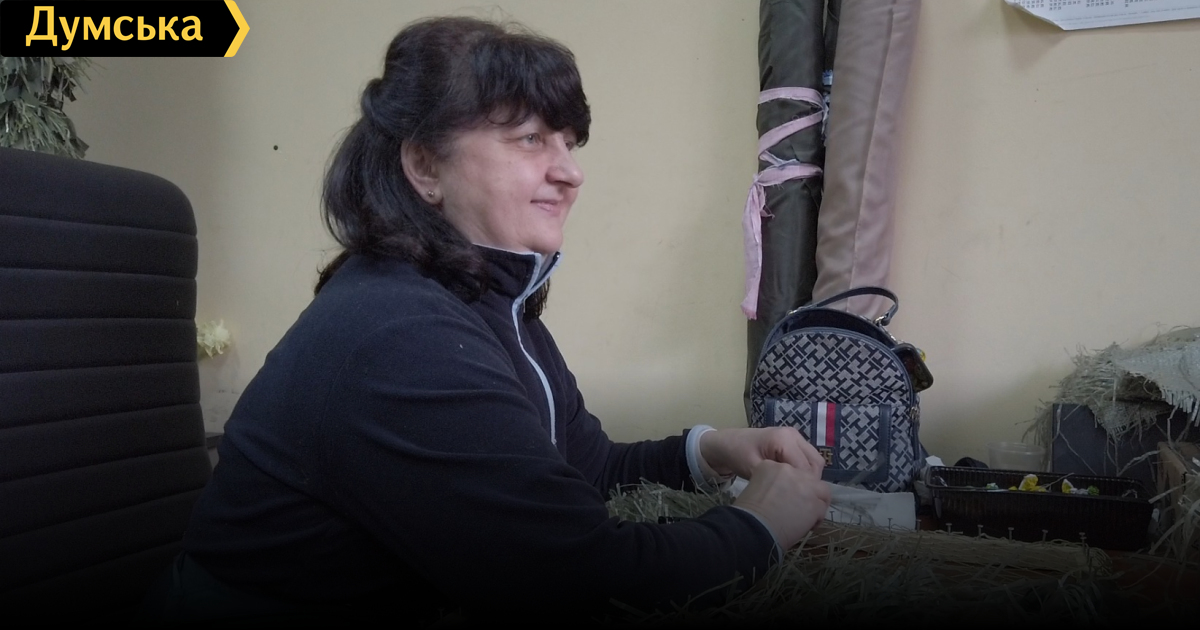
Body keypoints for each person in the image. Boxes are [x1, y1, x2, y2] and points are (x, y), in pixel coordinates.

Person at [150, 15, 831, 626]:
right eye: (531, 139)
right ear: (424, 164)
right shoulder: (398, 334)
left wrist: (712, 451)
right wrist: (759, 526)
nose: (571, 173)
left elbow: (584, 466)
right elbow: (579, 578)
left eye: (570, 142)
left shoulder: (486, 302)